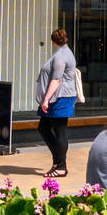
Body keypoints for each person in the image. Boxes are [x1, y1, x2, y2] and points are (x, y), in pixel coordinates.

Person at [35, 29, 77, 180]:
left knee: (60, 130)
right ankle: (58, 162)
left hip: (60, 97)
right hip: (58, 97)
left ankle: (61, 167)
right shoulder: (65, 52)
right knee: (44, 128)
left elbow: (56, 79)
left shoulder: (61, 56)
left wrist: (46, 99)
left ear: (53, 41)